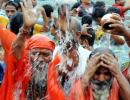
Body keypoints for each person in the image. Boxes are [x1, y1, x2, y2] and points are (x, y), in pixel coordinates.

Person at [0, 0, 55, 99]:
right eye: (36, 54)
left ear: (52, 55)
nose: (40, 59)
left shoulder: (56, 69)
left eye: (45, 54)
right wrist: (25, 28)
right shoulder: (23, 61)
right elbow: (16, 50)